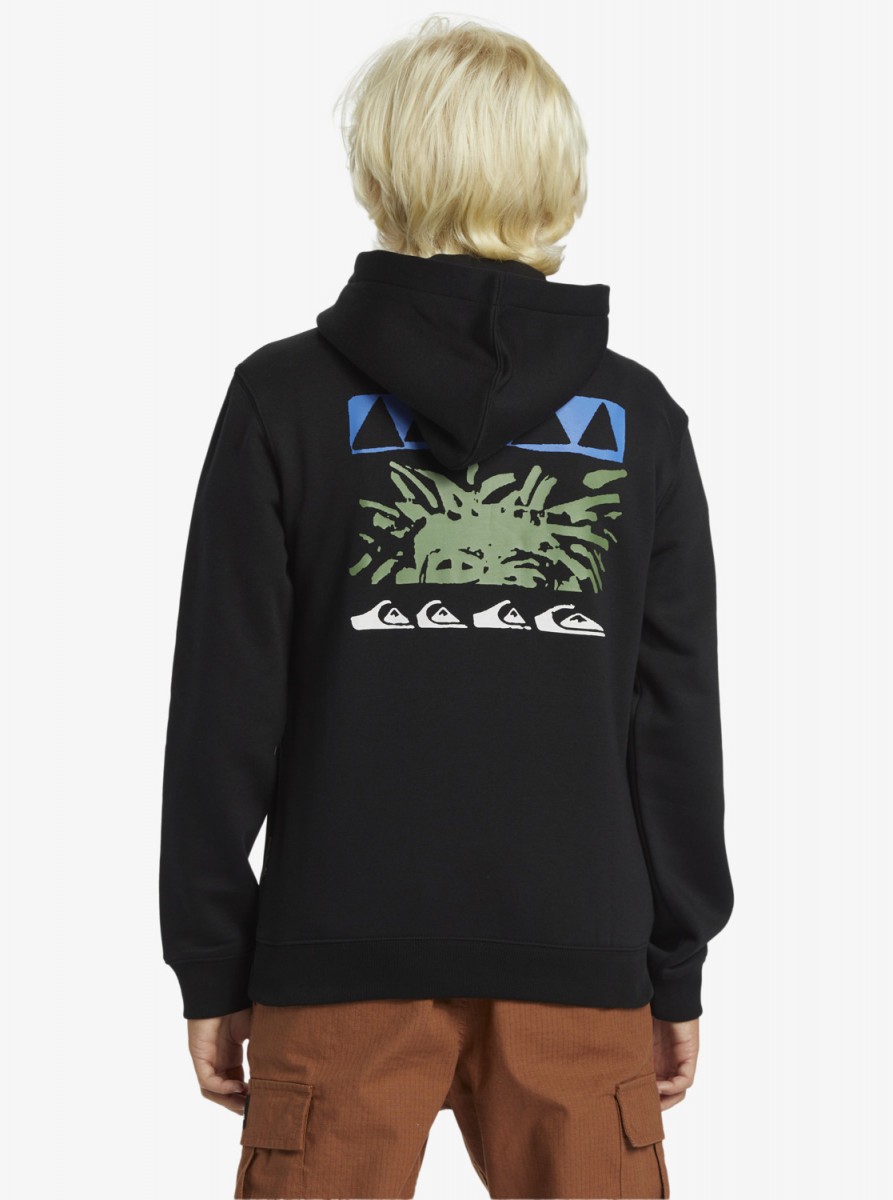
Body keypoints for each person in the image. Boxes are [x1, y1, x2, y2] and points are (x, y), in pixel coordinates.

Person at [159, 14, 734, 1199]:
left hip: (335, 962)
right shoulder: (636, 420)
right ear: (557, 174)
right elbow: (672, 719)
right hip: (578, 960)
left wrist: (212, 959)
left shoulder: (281, 400)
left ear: (379, 170)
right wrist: (673, 964)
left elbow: (224, 706)